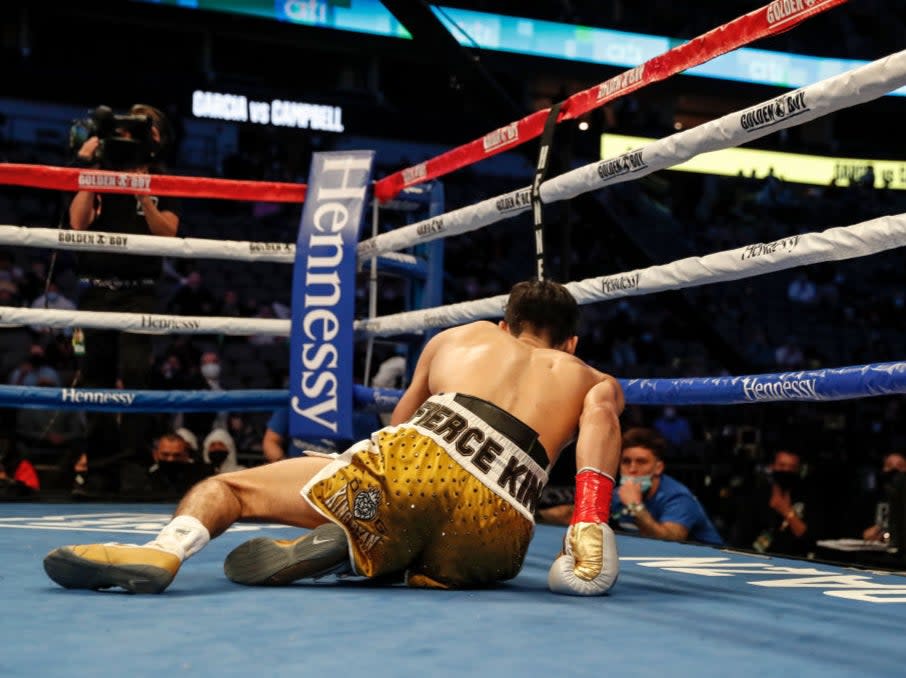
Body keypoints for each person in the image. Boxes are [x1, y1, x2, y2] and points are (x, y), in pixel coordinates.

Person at [43, 279, 625, 596]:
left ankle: (164, 553)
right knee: (437, 538)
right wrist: (590, 527)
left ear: (505, 326)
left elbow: (399, 427)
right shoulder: (592, 380)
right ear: (571, 343)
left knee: (232, 488)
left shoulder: (462, 337)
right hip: (493, 540)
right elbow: (600, 428)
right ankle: (369, 550)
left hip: (408, 479)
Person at [68, 103, 180, 495]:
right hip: (96, 289)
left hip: (138, 294)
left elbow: (168, 235)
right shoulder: (101, 169)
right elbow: (78, 223)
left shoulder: (163, 177)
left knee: (135, 376)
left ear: (156, 134)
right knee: (94, 380)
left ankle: (133, 469)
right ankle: (98, 470)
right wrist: (89, 174)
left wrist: (144, 195)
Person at [538, 427, 723, 546]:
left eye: (641, 462)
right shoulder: (620, 494)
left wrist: (635, 507)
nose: (632, 469)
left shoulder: (678, 498)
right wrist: (534, 515)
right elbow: (575, 513)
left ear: (658, 467)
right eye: (626, 462)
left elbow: (670, 541)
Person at [728, 448, 827, 557]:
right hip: (757, 558)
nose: (786, 471)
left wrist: (786, 511)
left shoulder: (808, 497)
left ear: (798, 469)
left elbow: (810, 540)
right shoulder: (757, 495)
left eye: (792, 467)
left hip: (795, 560)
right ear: (772, 467)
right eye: (782, 465)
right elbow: (741, 537)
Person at [861, 452, 906, 543]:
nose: (894, 470)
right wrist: (865, 534)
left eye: (900, 466)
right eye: (889, 466)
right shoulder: (869, 499)